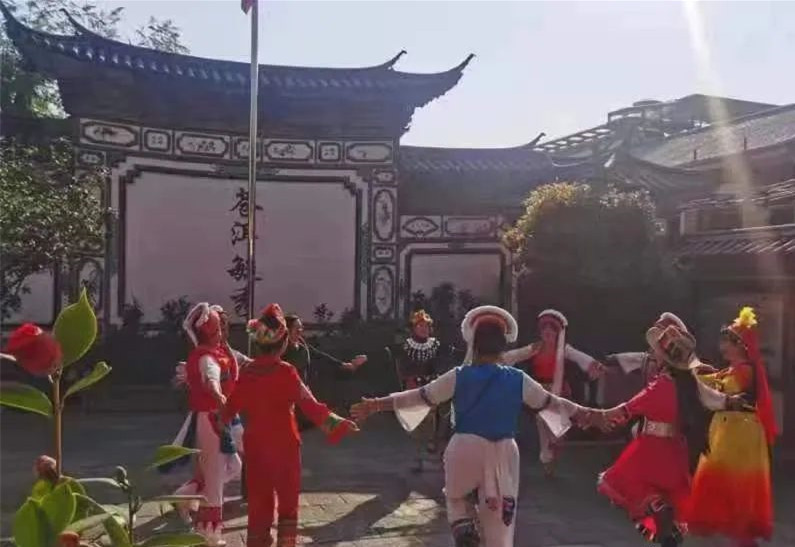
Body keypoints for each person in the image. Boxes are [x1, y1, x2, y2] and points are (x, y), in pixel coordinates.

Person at [351, 305, 585, 547]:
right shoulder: (517, 379)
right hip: (504, 452)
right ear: (502, 345)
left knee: (456, 498)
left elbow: (420, 396)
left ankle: (463, 524)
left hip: (465, 449)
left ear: (474, 344)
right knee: (500, 526)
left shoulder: (459, 375)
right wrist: (594, 415)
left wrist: (376, 404)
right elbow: (553, 403)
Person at [582, 323, 744, 547]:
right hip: (676, 450)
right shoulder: (688, 384)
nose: (653, 355)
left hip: (650, 448)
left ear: (664, 359)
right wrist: (732, 401)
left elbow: (628, 408)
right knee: (671, 495)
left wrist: (595, 416)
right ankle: (667, 533)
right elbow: (713, 398)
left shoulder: (660, 386)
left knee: (630, 484)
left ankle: (658, 509)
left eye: (656, 352)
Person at [222, 303, 358, 547]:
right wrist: (338, 423)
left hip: (256, 446)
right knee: (287, 503)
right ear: (283, 342)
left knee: (258, 503)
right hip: (284, 445)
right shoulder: (287, 372)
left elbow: (228, 408)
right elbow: (310, 404)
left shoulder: (246, 373)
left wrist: (214, 423)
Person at [684, 307, 777, 547]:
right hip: (728, 430)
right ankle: (736, 532)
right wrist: (689, 369)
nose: (722, 346)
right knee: (721, 478)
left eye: (727, 342)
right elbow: (710, 381)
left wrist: (698, 374)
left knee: (736, 481)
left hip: (741, 431)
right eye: (723, 342)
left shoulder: (744, 371)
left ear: (740, 346)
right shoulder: (730, 371)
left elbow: (721, 391)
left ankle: (743, 534)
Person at [169, 303, 242, 546]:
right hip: (211, 420)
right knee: (214, 478)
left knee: (233, 467)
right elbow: (211, 380)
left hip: (220, 419)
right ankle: (208, 535)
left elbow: (235, 367)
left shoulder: (217, 352)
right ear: (210, 333)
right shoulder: (207, 358)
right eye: (218, 329)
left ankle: (184, 495)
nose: (222, 332)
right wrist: (219, 396)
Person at [501, 309, 603, 475]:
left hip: (559, 392)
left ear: (557, 333)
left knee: (557, 432)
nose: (547, 333)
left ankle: (551, 453)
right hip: (540, 392)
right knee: (542, 424)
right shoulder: (535, 348)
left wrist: (593, 365)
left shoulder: (564, 349)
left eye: (551, 330)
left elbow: (580, 357)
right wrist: (495, 360)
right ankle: (546, 458)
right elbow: (515, 355)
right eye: (544, 330)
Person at [395, 310, 454, 471]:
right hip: (414, 386)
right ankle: (418, 456)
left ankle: (438, 446)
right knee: (418, 422)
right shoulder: (406, 347)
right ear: (414, 328)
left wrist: (436, 377)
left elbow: (442, 364)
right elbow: (403, 368)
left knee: (444, 412)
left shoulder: (437, 346)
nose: (423, 329)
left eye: (426, 326)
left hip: (434, 384)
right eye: (420, 326)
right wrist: (413, 380)